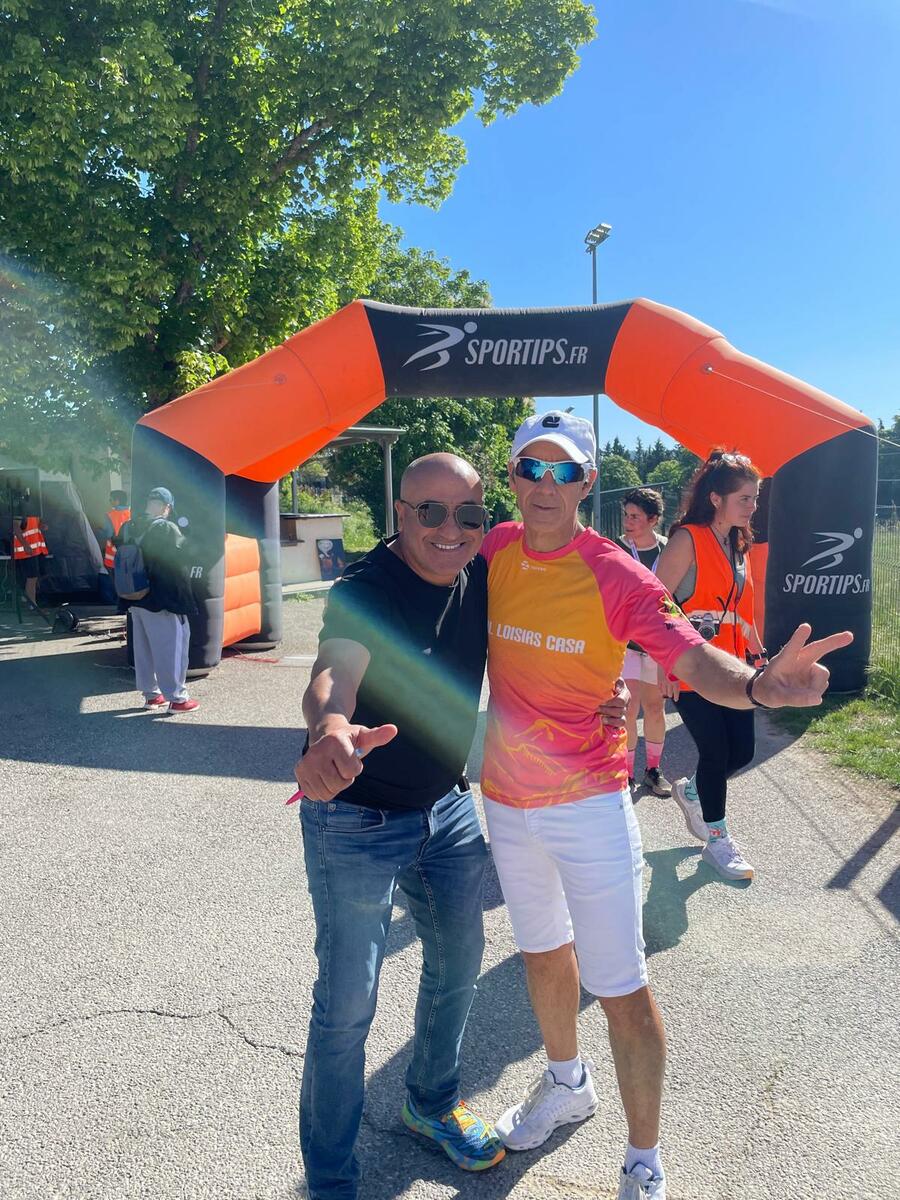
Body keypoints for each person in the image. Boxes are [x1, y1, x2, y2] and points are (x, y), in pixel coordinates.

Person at [479, 411, 851, 1199]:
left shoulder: (616, 571)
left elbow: (691, 656)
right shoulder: (491, 551)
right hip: (507, 802)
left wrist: (756, 686)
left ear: (587, 482)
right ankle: (566, 1084)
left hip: (589, 804)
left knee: (620, 987)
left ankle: (643, 1158)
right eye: (530, 468)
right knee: (542, 955)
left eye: (562, 471)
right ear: (512, 477)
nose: (544, 485)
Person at [291, 454, 501, 1200]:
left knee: (459, 963)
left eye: (468, 514)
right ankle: (330, 1179)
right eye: (430, 511)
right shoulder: (366, 587)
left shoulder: (485, 574)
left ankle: (431, 1104)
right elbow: (334, 671)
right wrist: (330, 728)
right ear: (399, 513)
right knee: (348, 1004)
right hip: (356, 815)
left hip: (447, 805)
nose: (450, 529)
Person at [655, 450, 768, 882]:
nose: (752, 506)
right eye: (745, 498)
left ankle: (692, 790)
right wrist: (666, 666)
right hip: (691, 667)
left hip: (734, 669)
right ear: (716, 498)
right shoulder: (687, 539)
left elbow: (743, 612)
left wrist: (760, 658)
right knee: (716, 750)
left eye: (755, 498)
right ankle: (717, 840)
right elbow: (656, 605)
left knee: (742, 752)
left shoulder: (739, 545)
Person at [617, 488, 672, 796]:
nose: (628, 522)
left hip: (656, 645)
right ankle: (625, 773)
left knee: (654, 707)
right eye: (626, 515)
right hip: (625, 643)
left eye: (635, 517)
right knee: (629, 707)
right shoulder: (617, 548)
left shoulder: (668, 550)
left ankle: (653, 770)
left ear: (653, 520)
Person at [128, 486, 199, 714]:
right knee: (172, 648)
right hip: (162, 600)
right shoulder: (166, 528)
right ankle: (177, 699)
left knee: (144, 650)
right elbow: (184, 554)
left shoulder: (129, 526)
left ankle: (152, 695)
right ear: (167, 507)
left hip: (134, 597)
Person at [97, 489, 131, 604]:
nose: (110, 501)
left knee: (115, 579)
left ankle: (118, 601)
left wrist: (99, 531)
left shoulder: (110, 515)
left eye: (111, 499)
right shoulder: (131, 513)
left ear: (117, 501)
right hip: (128, 552)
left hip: (113, 553)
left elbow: (108, 534)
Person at [12, 509, 49, 611]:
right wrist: (25, 545)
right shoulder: (20, 508)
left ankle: (28, 598)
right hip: (26, 551)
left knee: (38, 575)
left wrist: (41, 526)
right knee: (32, 577)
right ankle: (32, 604)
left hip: (37, 550)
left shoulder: (35, 509)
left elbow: (35, 526)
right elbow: (16, 527)